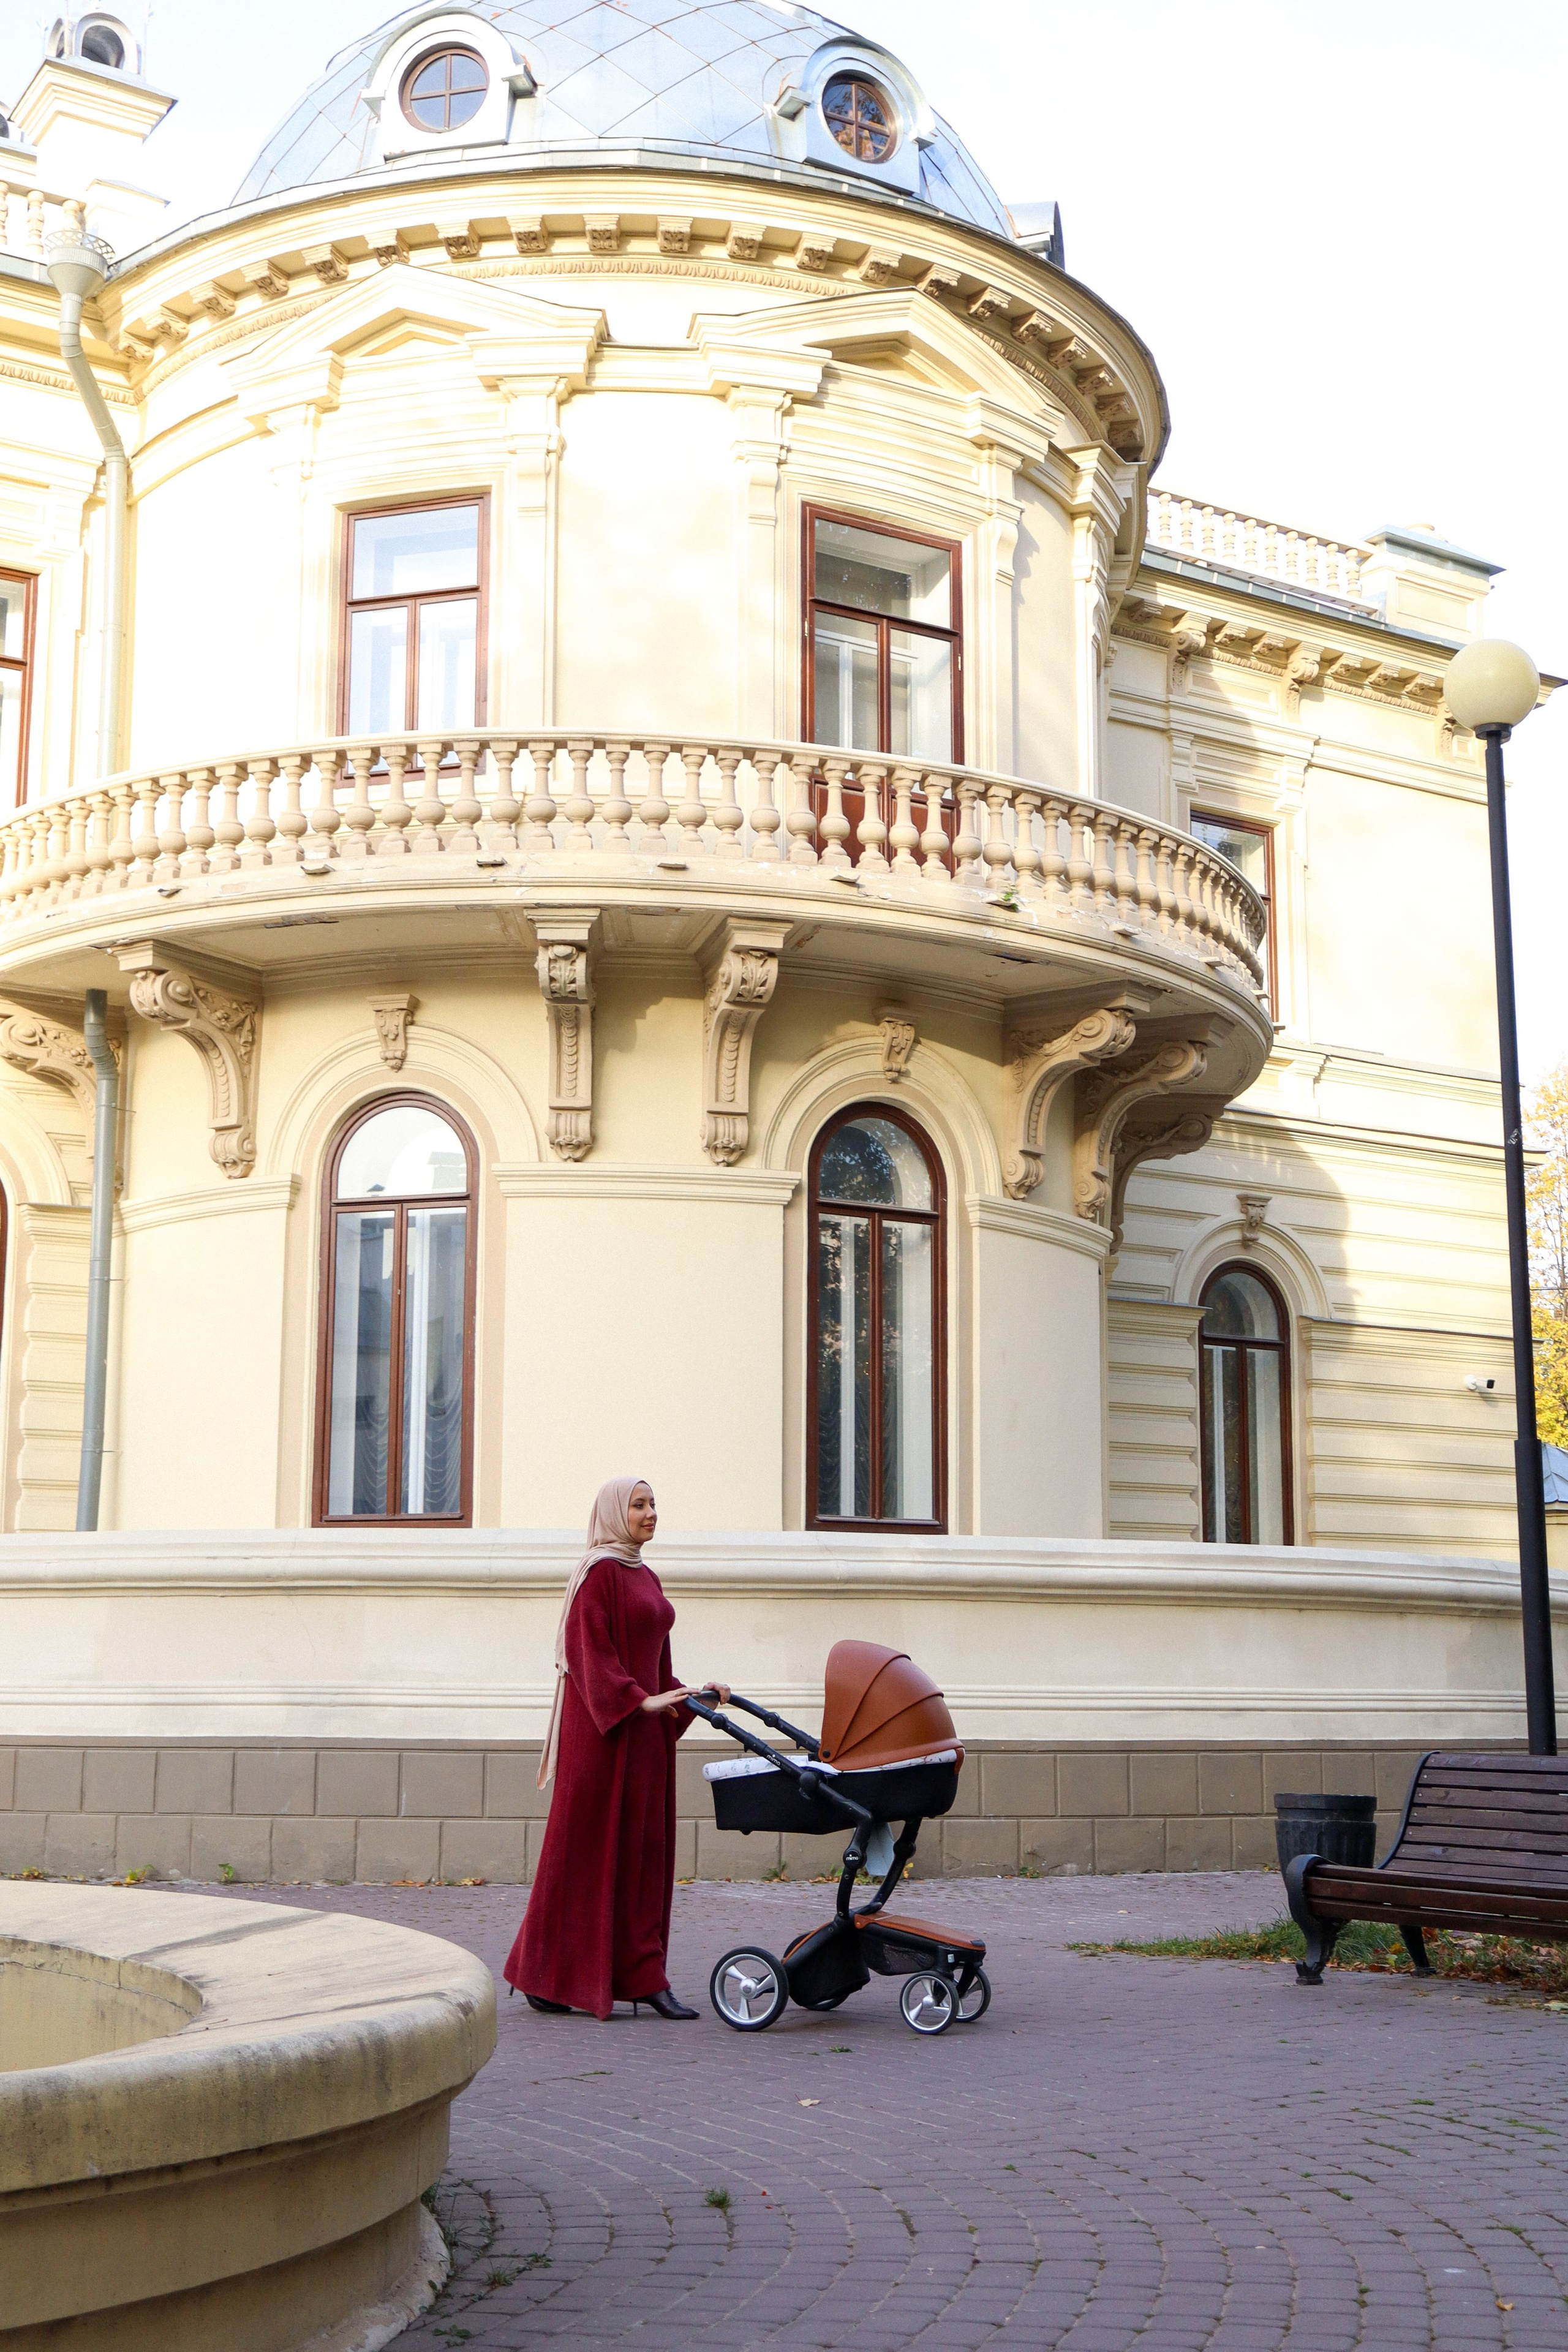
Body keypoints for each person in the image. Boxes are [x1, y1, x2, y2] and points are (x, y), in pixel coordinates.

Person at [503, 1476, 728, 2020]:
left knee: (644, 1856)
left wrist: (691, 1698)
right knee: (584, 1856)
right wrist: (638, 1701)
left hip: (644, 1737)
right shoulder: (597, 1574)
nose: (651, 1513)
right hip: (603, 1739)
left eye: (654, 1504)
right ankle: (546, 1972)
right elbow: (589, 1655)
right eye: (639, 1504)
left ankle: (642, 1973)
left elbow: (660, 1667)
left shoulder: (645, 1575)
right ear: (613, 1512)